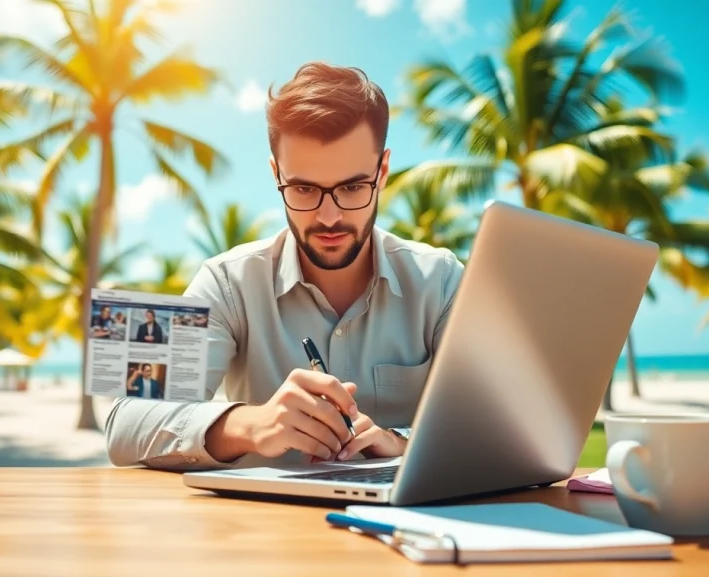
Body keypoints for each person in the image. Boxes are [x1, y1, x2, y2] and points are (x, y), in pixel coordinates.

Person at [104, 61, 464, 471]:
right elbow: (122, 420)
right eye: (304, 188)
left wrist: (398, 441)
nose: (329, 216)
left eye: (351, 187)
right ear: (276, 174)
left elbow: (498, 422)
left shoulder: (443, 280)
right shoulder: (224, 280)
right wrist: (250, 425)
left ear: (382, 172)